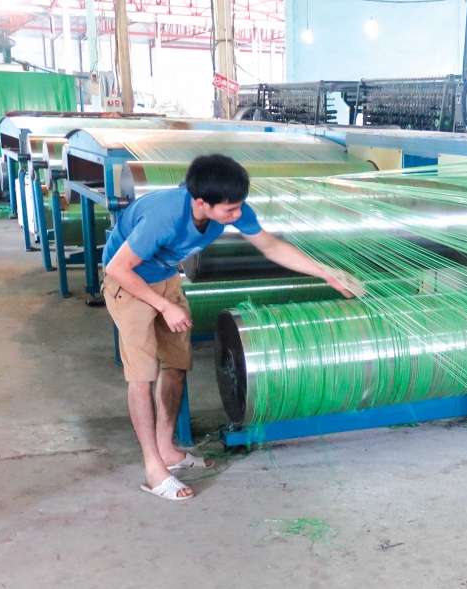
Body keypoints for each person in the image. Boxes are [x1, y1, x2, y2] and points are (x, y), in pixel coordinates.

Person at [102, 154, 357, 501]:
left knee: (176, 367)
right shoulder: (164, 217)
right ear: (201, 203)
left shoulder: (231, 207)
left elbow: (271, 247)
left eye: (239, 207)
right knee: (142, 376)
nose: (237, 215)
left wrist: (327, 274)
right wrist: (163, 306)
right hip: (129, 285)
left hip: (165, 279)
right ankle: (153, 468)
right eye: (230, 210)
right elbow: (118, 268)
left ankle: (168, 451)